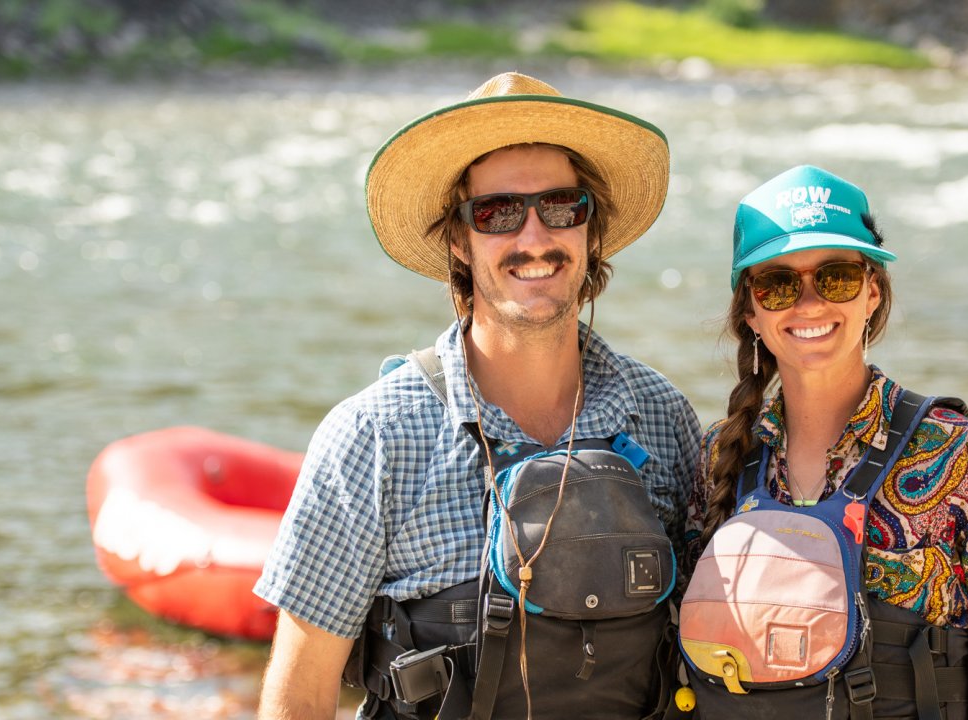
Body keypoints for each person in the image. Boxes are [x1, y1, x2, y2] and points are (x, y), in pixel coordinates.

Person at [254, 72, 700, 720]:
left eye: (561, 206)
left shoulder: (665, 418)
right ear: (459, 241)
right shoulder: (373, 437)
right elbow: (300, 696)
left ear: (591, 229)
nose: (534, 238)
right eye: (497, 213)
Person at [678, 165, 968, 719]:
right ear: (752, 312)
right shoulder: (720, 455)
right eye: (778, 284)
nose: (809, 304)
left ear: (872, 292)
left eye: (836, 277)